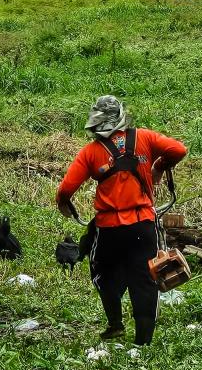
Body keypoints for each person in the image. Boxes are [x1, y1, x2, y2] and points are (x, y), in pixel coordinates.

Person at [56, 96, 187, 346]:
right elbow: (178, 150)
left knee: (103, 274)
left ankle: (115, 324)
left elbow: (66, 190)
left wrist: (65, 205)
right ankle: (143, 342)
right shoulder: (145, 138)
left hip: (109, 230)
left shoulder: (91, 151)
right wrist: (158, 166)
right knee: (146, 278)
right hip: (143, 225)